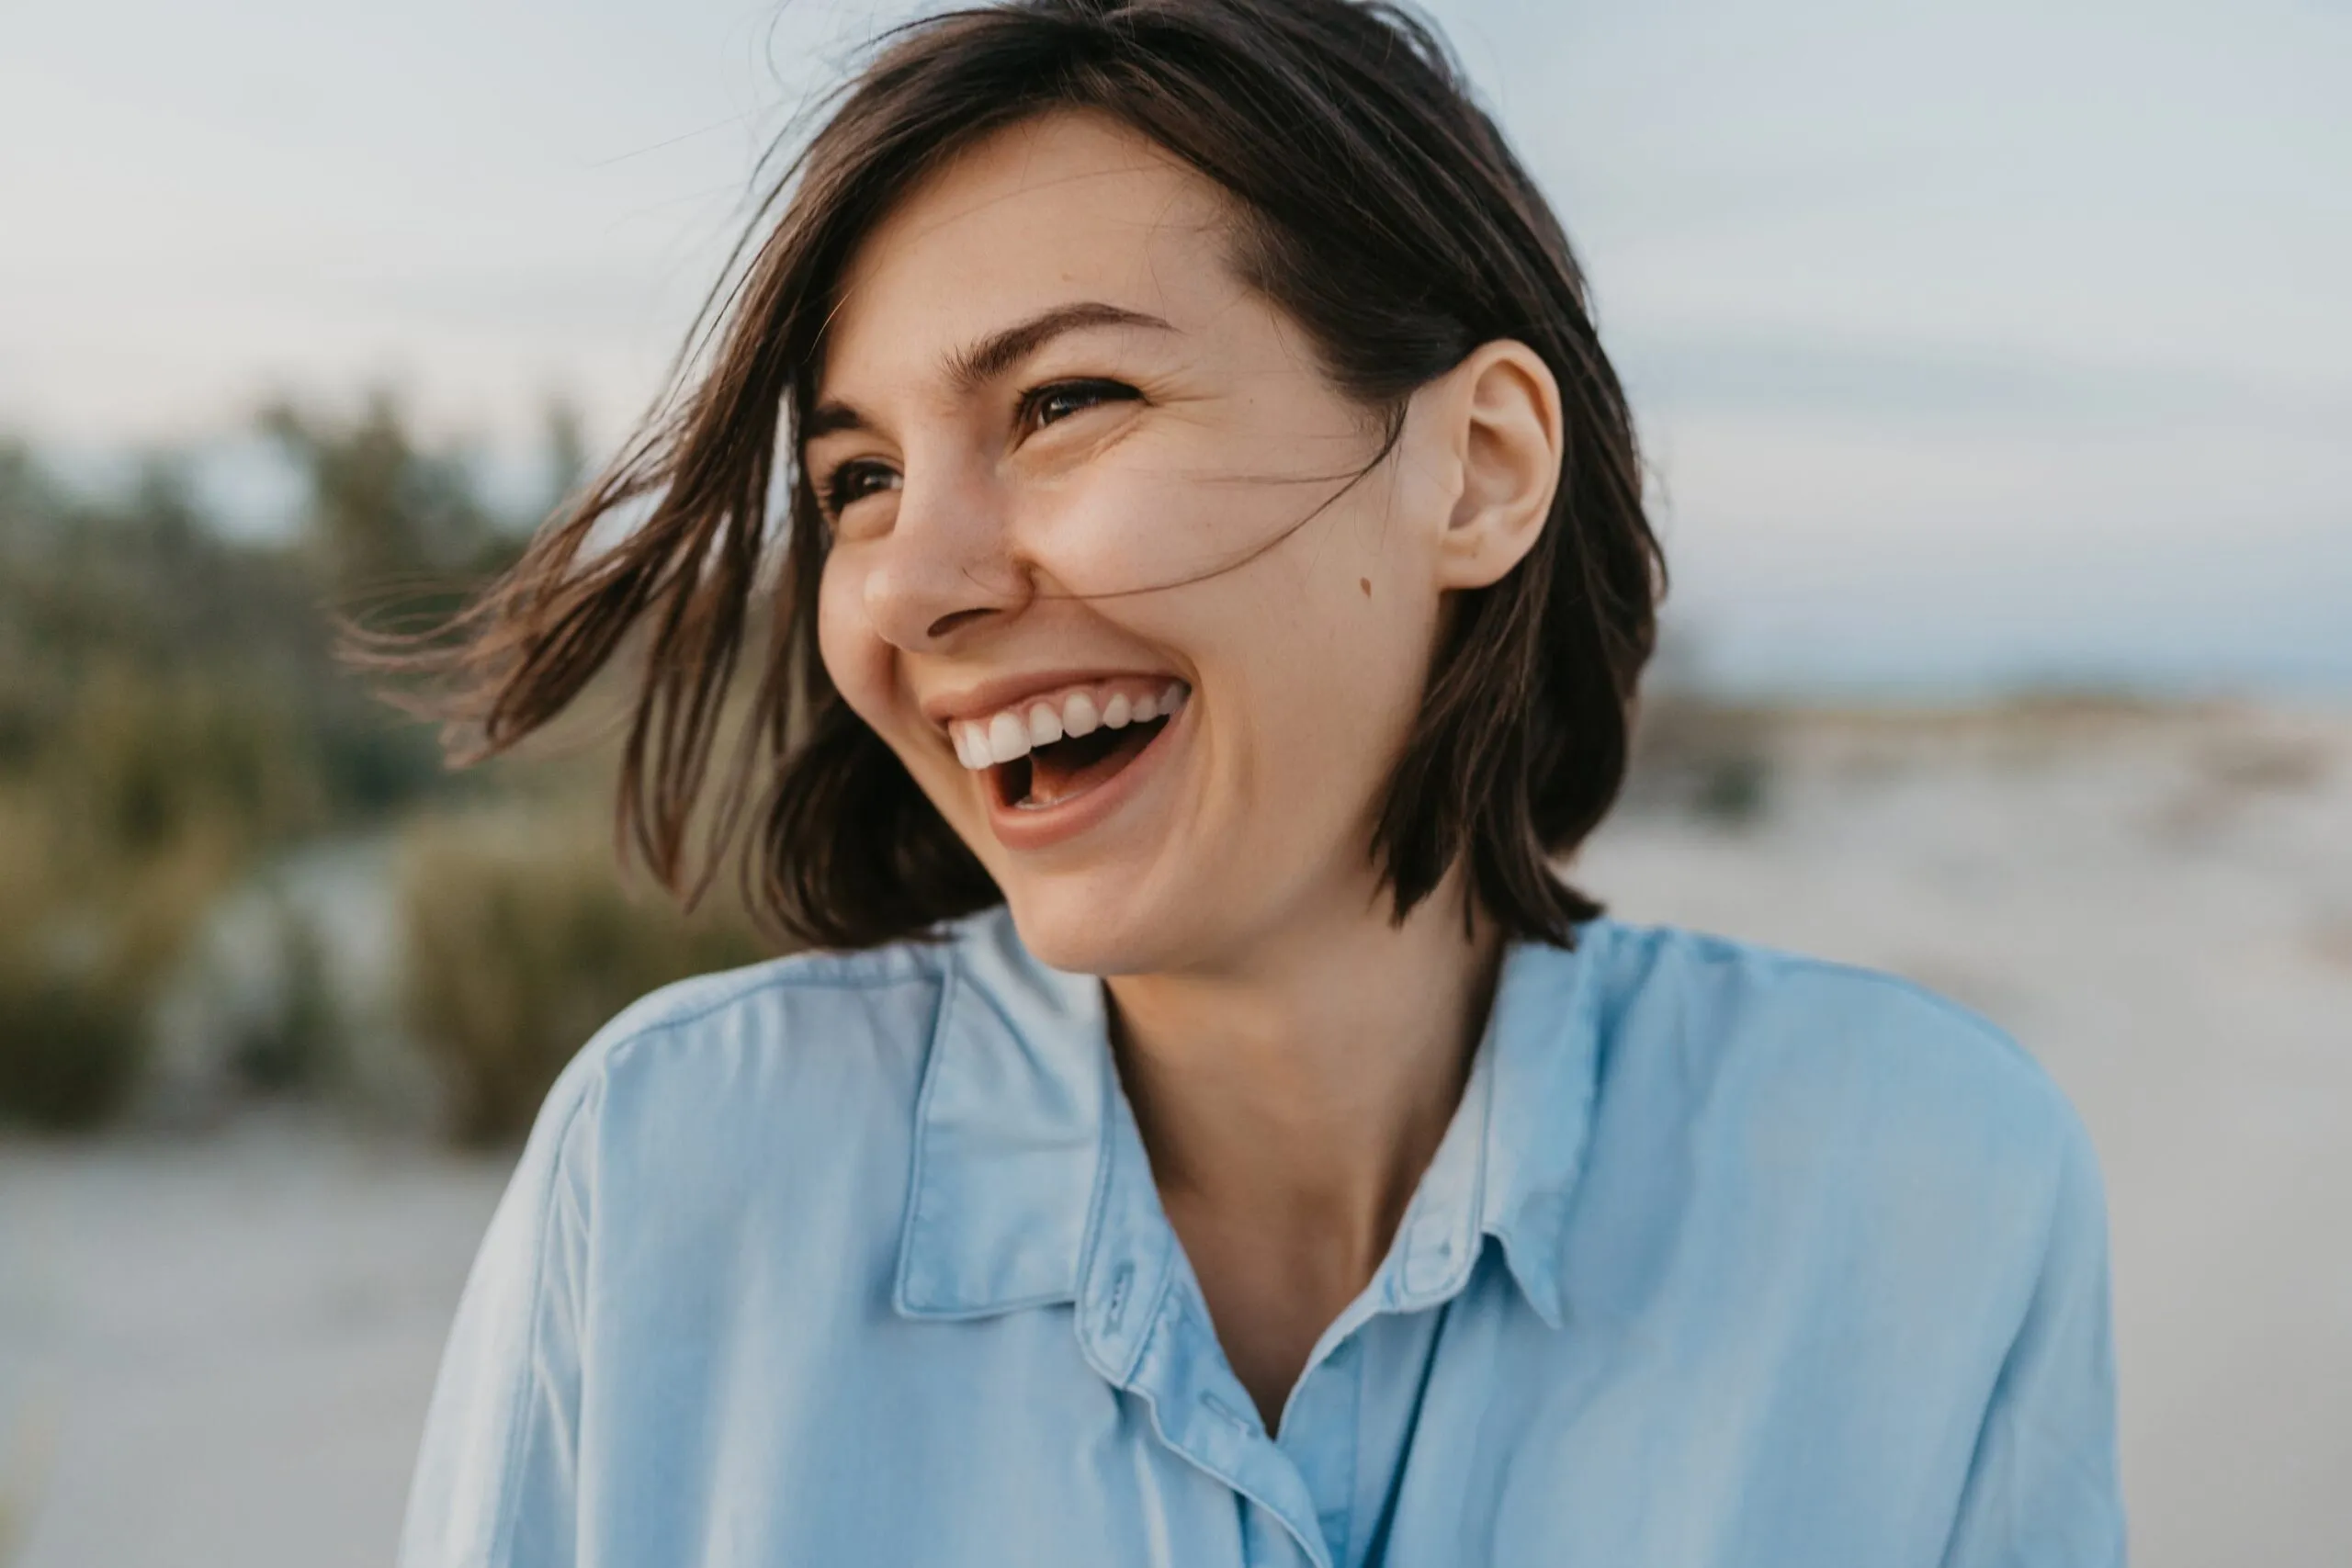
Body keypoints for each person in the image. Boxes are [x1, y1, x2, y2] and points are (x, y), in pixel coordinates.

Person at [393, 2, 2125, 1563]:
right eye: (857, 480)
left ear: (1479, 469)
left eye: (1067, 400)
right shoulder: (672, 1180)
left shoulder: (1922, 1184)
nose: (910, 584)